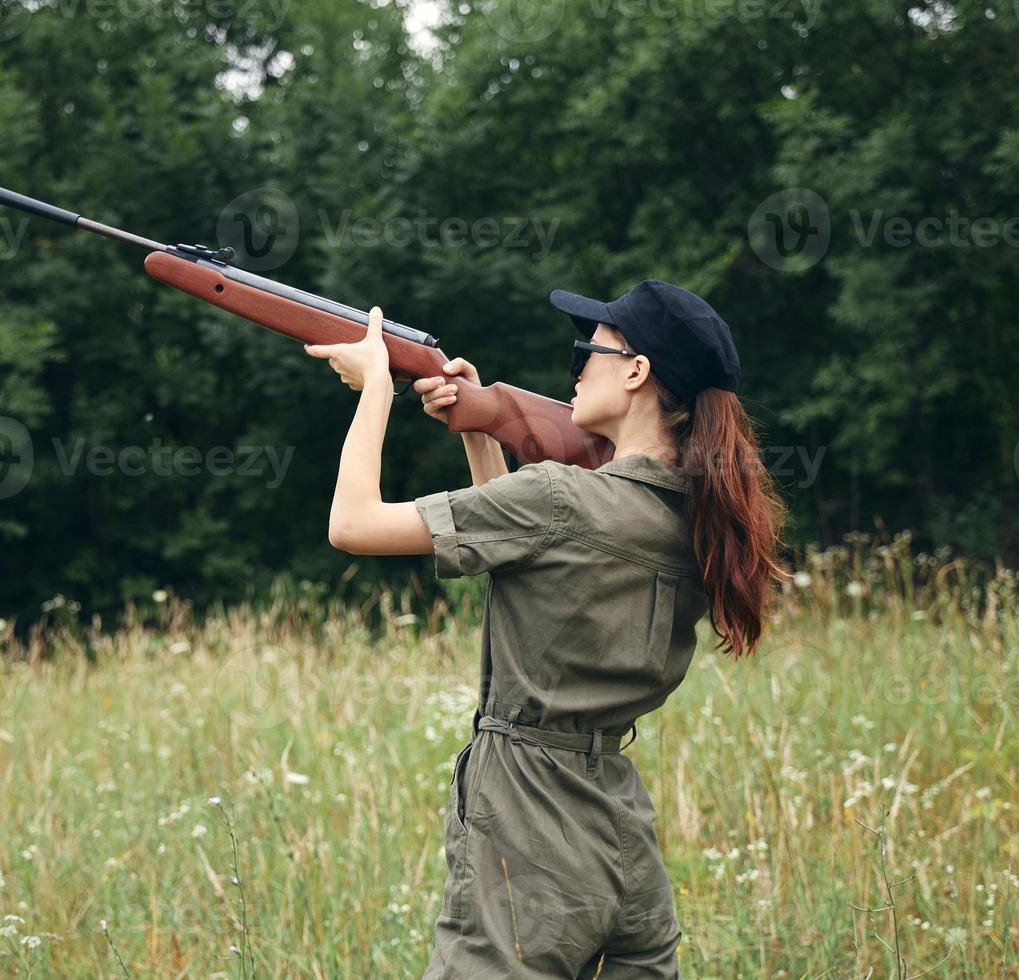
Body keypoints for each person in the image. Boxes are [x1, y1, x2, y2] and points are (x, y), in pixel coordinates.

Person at [304, 280, 789, 978]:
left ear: (636, 372)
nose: (578, 367)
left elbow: (351, 524)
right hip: (621, 840)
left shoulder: (562, 496)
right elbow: (524, 549)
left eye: (590, 349)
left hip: (526, 831)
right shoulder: (699, 517)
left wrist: (375, 386)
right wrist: (480, 429)